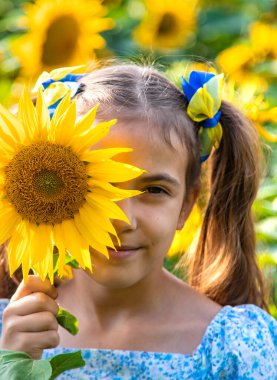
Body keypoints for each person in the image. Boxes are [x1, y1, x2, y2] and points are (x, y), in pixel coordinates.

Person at [0, 64, 276, 379]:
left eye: (154, 190)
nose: (123, 220)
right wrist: (12, 366)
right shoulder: (12, 330)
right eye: (95, 185)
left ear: (186, 204)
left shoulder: (235, 348)